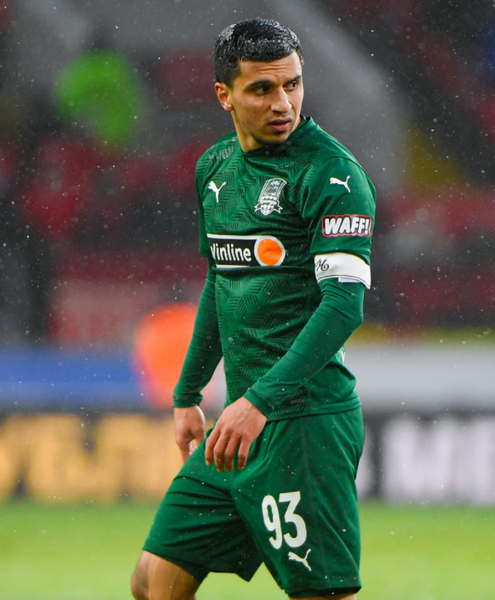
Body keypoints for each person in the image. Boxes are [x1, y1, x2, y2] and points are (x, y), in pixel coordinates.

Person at [131, 18, 376, 600]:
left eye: (292, 84)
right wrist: (188, 394)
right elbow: (221, 282)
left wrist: (260, 402)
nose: (283, 103)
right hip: (238, 427)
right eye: (262, 89)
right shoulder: (214, 169)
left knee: (322, 595)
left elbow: (344, 307)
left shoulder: (333, 175)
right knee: (153, 581)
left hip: (304, 424)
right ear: (225, 95)